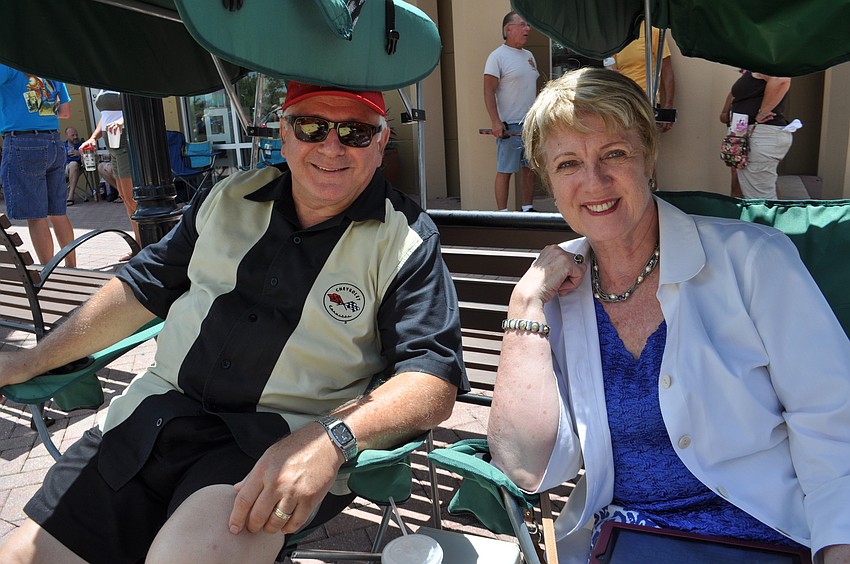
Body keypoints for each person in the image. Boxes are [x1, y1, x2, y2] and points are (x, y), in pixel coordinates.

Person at [0, 81, 468, 564]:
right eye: (311, 127)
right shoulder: (230, 197)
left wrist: (333, 437)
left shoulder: (404, 239)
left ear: (380, 142)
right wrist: (32, 359)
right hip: (150, 420)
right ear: (283, 135)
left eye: (355, 132)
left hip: (273, 448)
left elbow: (431, 380)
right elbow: (144, 285)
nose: (332, 146)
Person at [487, 68, 850, 564]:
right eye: (569, 163)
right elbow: (528, 468)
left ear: (648, 157)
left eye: (614, 153)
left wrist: (837, 548)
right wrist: (524, 304)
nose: (594, 181)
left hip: (761, 535)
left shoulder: (753, 260)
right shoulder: (556, 291)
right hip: (628, 542)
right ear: (548, 179)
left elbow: (832, 422)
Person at [0, 64, 76, 267]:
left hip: (23, 142)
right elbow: (65, 111)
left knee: (36, 215)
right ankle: (72, 267)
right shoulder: (49, 67)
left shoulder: (8, 63)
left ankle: (49, 272)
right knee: (58, 212)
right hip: (53, 141)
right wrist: (41, 112)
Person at [484, 11, 540, 212]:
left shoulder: (529, 56)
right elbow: (488, 90)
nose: (528, 29)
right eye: (523, 25)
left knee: (530, 169)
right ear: (509, 29)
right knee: (505, 170)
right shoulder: (497, 57)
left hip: (530, 124)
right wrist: (495, 122)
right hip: (509, 125)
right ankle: (502, 213)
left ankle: (527, 208)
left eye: (528, 25)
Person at [79, 90, 139, 254]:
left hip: (125, 145)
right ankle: (139, 246)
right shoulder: (102, 84)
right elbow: (105, 116)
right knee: (126, 199)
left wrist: (122, 120)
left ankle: (144, 247)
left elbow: (138, 106)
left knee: (132, 199)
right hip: (112, 147)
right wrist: (93, 138)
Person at [719, 71, 792, 199]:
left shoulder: (764, 63)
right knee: (756, 194)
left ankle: (764, 219)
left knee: (760, 200)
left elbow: (780, 78)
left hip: (760, 134)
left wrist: (763, 113)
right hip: (750, 136)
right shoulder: (751, 70)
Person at [612, 26, 676, 133]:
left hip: (647, 102)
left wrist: (668, 106)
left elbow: (667, 71)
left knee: (645, 145)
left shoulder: (654, 32)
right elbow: (612, 71)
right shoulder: (617, 36)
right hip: (624, 104)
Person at [63, 126, 84, 205]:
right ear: (67, 136)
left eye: (76, 135)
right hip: (61, 169)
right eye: (72, 135)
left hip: (75, 168)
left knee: (73, 164)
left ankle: (71, 195)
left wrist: (79, 154)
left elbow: (88, 157)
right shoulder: (61, 146)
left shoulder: (81, 146)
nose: (75, 137)